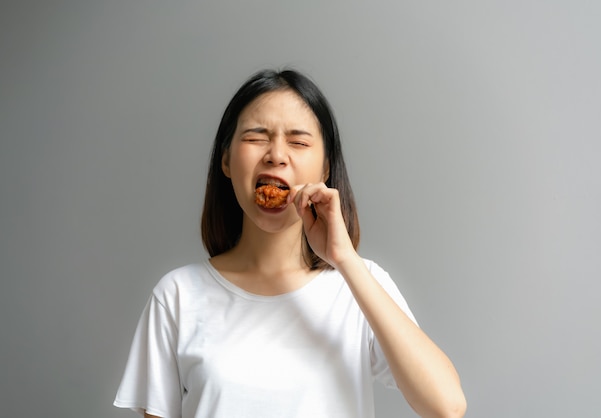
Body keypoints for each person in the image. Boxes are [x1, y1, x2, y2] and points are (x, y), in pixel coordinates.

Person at [114, 69, 466, 418]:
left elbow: (446, 406)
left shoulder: (357, 286)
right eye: (256, 137)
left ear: (325, 168)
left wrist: (344, 259)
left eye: (298, 142)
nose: (277, 155)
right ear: (225, 160)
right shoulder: (177, 295)